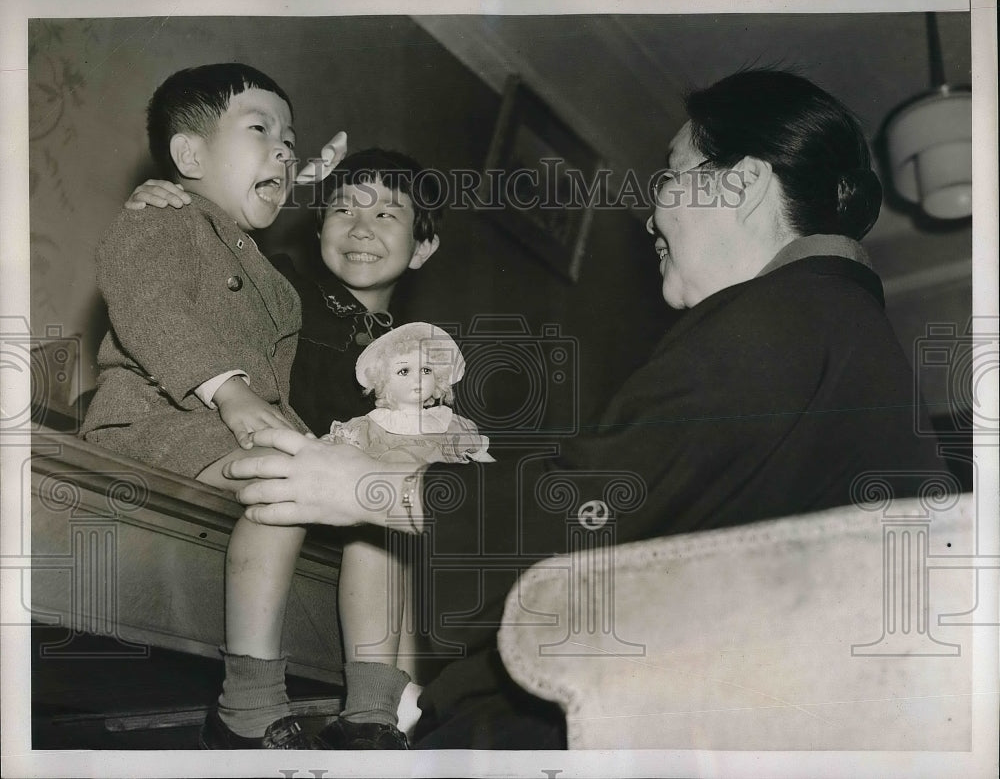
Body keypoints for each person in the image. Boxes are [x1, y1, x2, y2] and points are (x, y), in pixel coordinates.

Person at [223, 68, 951, 749]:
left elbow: (583, 503)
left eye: (669, 175)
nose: (648, 214)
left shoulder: (781, 318)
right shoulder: (840, 326)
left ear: (745, 184)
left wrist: (361, 485)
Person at [124, 148, 444, 748]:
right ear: (319, 225)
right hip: (272, 463)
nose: (360, 227)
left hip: (335, 495)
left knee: (388, 520)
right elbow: (214, 257)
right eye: (344, 208)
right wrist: (168, 202)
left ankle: (376, 714)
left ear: (423, 248)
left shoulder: (414, 358)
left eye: (388, 216)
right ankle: (252, 701)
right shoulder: (284, 287)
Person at [80, 63, 316, 748]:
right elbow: (150, 309)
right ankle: (248, 704)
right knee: (285, 478)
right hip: (151, 426)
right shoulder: (160, 218)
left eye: (290, 141)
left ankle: (375, 705)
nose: (283, 149)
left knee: (343, 491)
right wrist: (231, 390)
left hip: (223, 437)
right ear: (189, 156)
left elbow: (278, 399)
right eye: (259, 129)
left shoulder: (281, 285)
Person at [317, 323, 492, 749]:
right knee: (380, 557)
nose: (417, 380)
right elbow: (327, 461)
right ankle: (381, 700)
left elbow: (488, 472)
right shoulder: (366, 427)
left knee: (421, 600)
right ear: (380, 380)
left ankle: (408, 696)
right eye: (402, 371)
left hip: (434, 533)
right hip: (381, 527)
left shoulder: (453, 427)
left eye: (427, 370)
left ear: (442, 380)